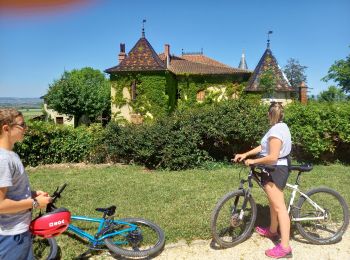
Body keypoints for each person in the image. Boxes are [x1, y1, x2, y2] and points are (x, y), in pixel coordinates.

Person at [233, 102, 292, 259]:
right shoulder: (279, 127)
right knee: (273, 203)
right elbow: (263, 147)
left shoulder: (276, 131)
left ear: (269, 114)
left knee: (280, 208)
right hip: (275, 169)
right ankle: (273, 231)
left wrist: (253, 162)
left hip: (276, 170)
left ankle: (285, 247)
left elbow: (272, 157)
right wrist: (246, 154)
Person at [0, 108, 52, 260]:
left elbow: (11, 192)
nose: (26, 128)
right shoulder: (4, 160)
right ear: (6, 128)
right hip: (12, 237)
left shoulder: (11, 155)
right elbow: (1, 205)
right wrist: (35, 203)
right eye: (22, 125)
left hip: (20, 232)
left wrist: (32, 193)